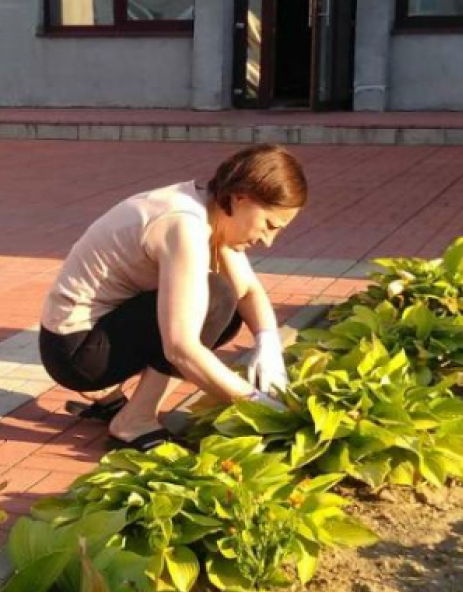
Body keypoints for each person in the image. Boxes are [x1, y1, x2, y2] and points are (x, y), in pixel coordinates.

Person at [39, 144, 307, 450]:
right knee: (216, 299)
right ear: (241, 197)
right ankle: (133, 422)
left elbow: (248, 291)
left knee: (226, 304)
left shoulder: (207, 205)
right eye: (269, 225)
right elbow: (181, 348)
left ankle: (111, 397)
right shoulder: (183, 226)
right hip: (75, 352)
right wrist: (258, 405)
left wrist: (267, 341)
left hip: (83, 336)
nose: (269, 241)